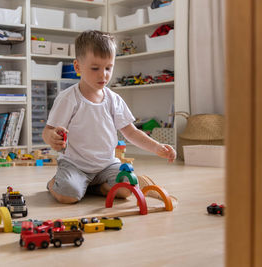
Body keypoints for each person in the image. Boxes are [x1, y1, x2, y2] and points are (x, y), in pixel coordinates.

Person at [42, 30, 176, 204]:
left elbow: (132, 132)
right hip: (75, 166)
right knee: (68, 196)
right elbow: (48, 131)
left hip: (107, 165)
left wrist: (157, 147)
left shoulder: (113, 99)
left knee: (127, 188)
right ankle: (55, 184)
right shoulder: (69, 98)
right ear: (78, 67)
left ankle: (94, 188)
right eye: (95, 68)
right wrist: (52, 137)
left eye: (108, 68)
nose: (103, 74)